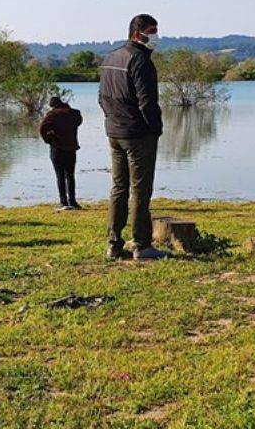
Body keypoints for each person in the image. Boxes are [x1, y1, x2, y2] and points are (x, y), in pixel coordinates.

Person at [99, 14, 168, 260]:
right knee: (140, 190)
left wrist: (112, 120)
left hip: (114, 132)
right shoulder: (141, 61)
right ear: (137, 34)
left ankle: (114, 244)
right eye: (151, 31)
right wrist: (155, 129)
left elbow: (101, 98)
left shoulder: (110, 58)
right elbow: (147, 103)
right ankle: (142, 245)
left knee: (119, 188)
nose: (155, 36)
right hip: (138, 134)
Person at [39, 96, 82, 210]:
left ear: (52, 105)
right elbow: (78, 122)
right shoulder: (75, 113)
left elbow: (42, 128)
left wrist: (48, 139)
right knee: (70, 175)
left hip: (57, 148)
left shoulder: (52, 115)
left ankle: (63, 202)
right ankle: (73, 202)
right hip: (71, 148)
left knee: (60, 176)